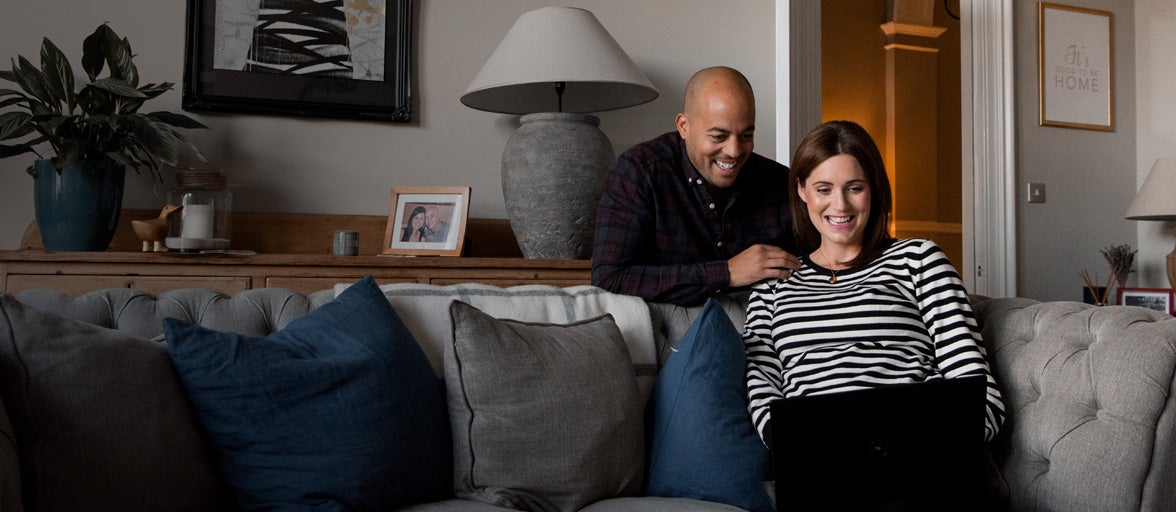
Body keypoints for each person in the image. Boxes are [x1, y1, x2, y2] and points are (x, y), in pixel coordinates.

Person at [743, 120, 1006, 448]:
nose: (840, 204)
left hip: (920, 449)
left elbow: (974, 383)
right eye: (823, 189)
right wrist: (790, 444)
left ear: (874, 189)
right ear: (801, 190)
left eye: (854, 188)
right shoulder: (773, 285)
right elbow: (762, 385)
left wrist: (943, 443)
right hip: (819, 455)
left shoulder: (918, 260)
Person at [592, 66, 799, 306]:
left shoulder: (779, 182)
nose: (734, 151)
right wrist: (727, 272)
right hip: (666, 328)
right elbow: (609, 278)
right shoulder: (641, 171)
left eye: (746, 136)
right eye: (718, 137)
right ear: (684, 126)